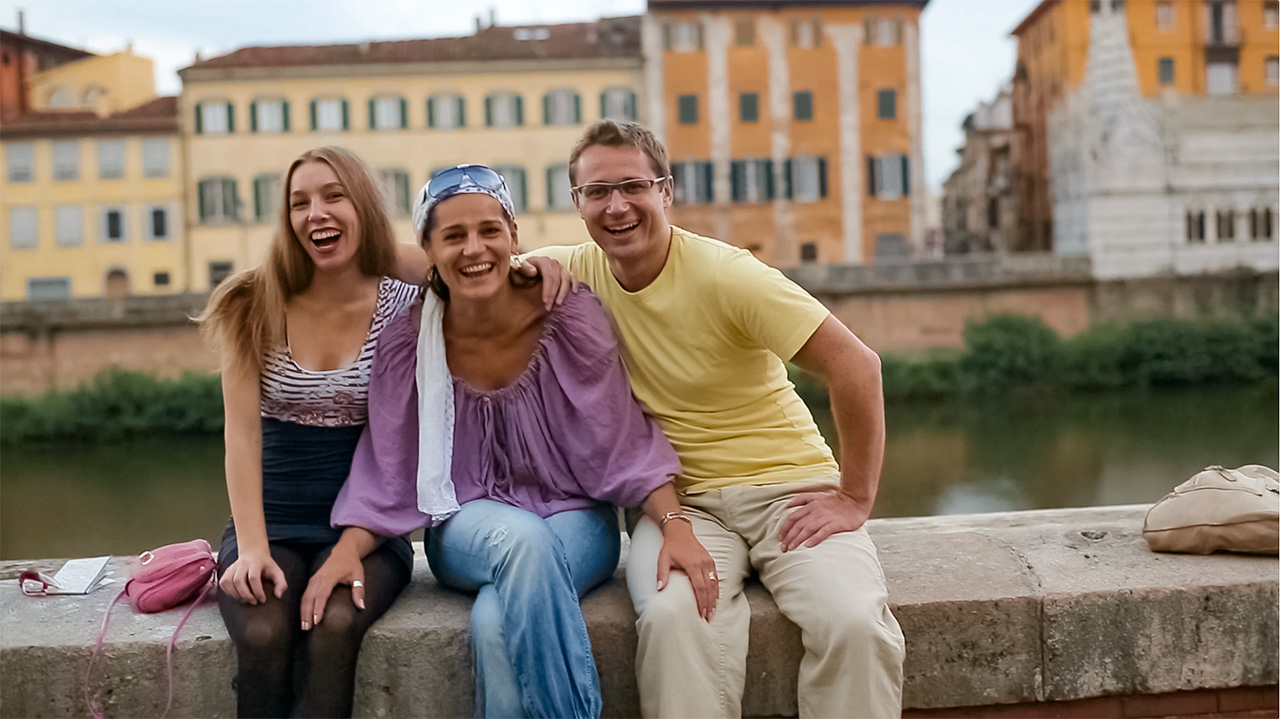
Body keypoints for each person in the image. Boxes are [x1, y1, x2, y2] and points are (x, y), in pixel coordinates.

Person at [299, 164, 718, 719]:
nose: (475, 248)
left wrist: (673, 523)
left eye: (489, 231)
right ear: (428, 249)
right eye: (453, 236)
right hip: (464, 524)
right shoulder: (409, 339)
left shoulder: (568, 313)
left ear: (513, 235)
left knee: (495, 625)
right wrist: (347, 551)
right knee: (520, 539)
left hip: (576, 519)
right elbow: (389, 463)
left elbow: (620, 438)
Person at [532, 120, 907, 718]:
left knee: (855, 623)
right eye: (598, 192)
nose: (617, 205)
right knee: (675, 619)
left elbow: (857, 366)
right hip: (684, 505)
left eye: (634, 186)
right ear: (577, 203)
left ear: (666, 192)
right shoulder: (569, 272)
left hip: (791, 490)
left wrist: (855, 497)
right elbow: (451, 264)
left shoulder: (726, 273)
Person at [198, 148, 571, 718]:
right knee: (264, 633)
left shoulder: (406, 302)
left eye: (334, 196)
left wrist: (537, 264)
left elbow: (471, 263)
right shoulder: (254, 302)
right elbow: (242, 437)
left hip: (368, 523)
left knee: (335, 625)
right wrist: (249, 548)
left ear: (364, 206)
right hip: (270, 520)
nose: (316, 213)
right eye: (300, 203)